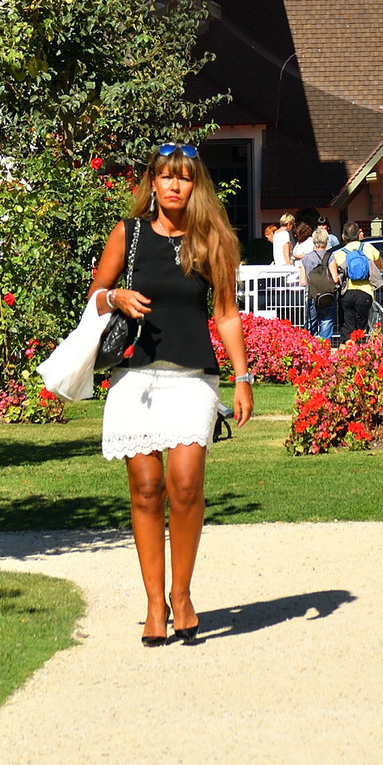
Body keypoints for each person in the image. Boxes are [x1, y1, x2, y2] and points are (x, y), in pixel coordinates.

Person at [89, 145, 253, 646]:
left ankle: (181, 596)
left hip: (192, 376)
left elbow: (225, 313)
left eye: (183, 178)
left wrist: (242, 376)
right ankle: (153, 605)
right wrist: (115, 296)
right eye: (165, 177)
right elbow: (95, 297)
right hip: (134, 379)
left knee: (184, 485)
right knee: (144, 488)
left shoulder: (214, 239)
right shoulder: (128, 234)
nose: (174, 186)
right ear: (152, 184)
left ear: (194, 184)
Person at [335, 222, 380, 340]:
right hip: (365, 293)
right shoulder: (369, 248)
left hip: (347, 293)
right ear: (359, 234)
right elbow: (380, 264)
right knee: (361, 330)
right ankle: (359, 354)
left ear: (343, 237)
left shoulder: (339, 253)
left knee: (348, 329)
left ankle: (347, 355)